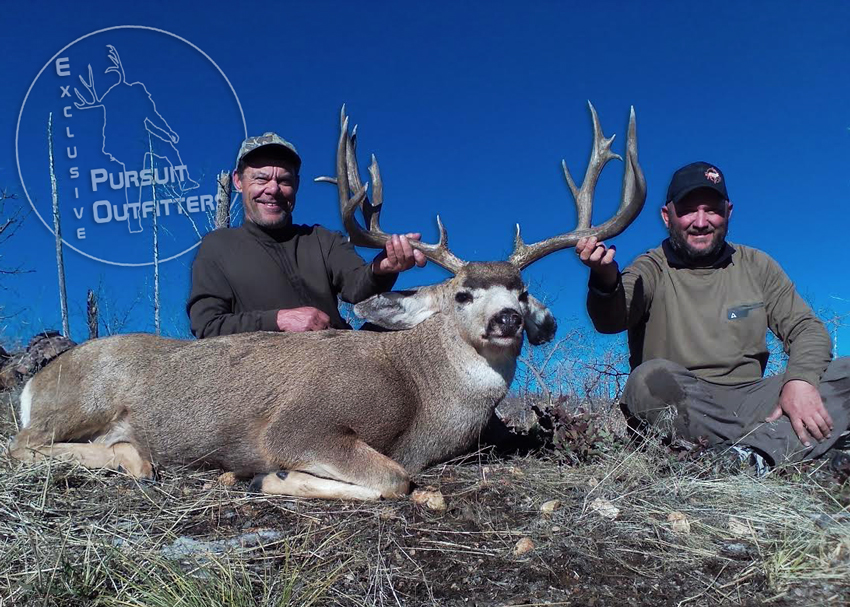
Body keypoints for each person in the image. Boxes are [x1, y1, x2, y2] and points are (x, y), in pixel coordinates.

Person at [577, 161, 850, 468]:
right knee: (647, 380)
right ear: (668, 217)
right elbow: (611, 320)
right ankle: (780, 446)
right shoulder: (650, 267)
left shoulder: (756, 265)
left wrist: (800, 382)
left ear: (728, 212)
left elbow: (806, 329)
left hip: (753, 400)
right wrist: (604, 280)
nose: (701, 221)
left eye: (712, 209)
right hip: (687, 405)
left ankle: (750, 457)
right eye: (689, 210)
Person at [187, 132, 425, 338]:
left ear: (297, 185)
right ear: (238, 181)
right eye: (261, 178)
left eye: (284, 180)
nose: (273, 189)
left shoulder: (322, 239)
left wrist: (382, 268)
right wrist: (278, 321)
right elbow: (207, 325)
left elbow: (356, 286)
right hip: (265, 375)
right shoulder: (218, 247)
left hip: (341, 363)